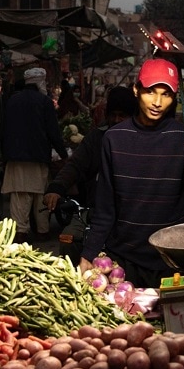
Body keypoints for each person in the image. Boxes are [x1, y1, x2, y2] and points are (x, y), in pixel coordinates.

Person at [79, 58, 184, 289]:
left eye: (165, 94)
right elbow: (105, 208)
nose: (157, 102)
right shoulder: (113, 139)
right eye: (150, 92)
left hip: (171, 262)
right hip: (122, 261)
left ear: (175, 97)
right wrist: (89, 253)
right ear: (136, 90)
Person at [43, 86, 137, 260]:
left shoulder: (142, 140)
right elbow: (76, 165)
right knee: (68, 240)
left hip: (131, 216)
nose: (116, 120)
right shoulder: (96, 138)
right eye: (113, 115)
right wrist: (56, 188)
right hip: (96, 211)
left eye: (122, 115)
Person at [1, 66, 68, 242]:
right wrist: (63, 154)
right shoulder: (44, 101)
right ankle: (42, 230)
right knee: (40, 195)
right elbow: (53, 131)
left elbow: (4, 128)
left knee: (19, 196)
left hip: (14, 157)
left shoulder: (12, 100)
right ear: (40, 82)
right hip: (38, 156)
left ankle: (20, 230)